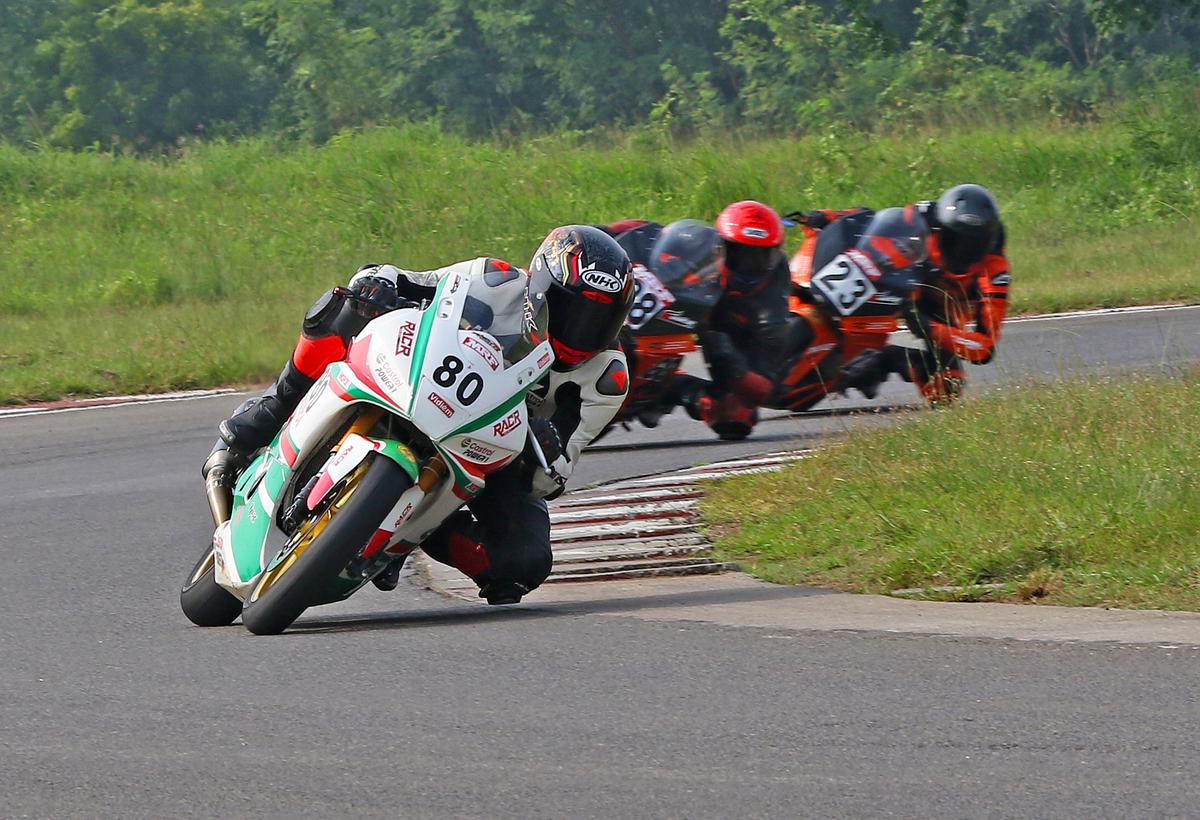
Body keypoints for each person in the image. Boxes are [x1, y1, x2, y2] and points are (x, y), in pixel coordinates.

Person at [202, 225, 634, 604]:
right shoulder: (493, 278)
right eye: (575, 309)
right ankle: (279, 402)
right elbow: (414, 282)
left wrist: (546, 447)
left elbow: (554, 474)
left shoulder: (606, 378)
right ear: (539, 287)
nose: (585, 329)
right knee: (345, 304)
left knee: (523, 562)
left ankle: (411, 535)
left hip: (496, 450)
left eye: (602, 317)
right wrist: (377, 283)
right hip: (423, 378)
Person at [601, 201, 794, 440]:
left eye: (760, 258)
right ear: (720, 246)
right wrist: (594, 236)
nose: (749, 266)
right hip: (664, 311)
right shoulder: (693, 242)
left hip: (726, 332)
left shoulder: (771, 299)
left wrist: (728, 356)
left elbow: (765, 385)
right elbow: (630, 231)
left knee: (737, 417)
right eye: (739, 255)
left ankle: (677, 391)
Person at [806, 184, 1011, 403]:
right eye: (955, 240)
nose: (964, 250)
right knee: (868, 260)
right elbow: (872, 219)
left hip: (941, 314)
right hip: (907, 282)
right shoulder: (927, 216)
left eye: (975, 244)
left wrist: (930, 329)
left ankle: (887, 358)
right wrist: (830, 217)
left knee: (947, 387)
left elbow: (984, 348)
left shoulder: (996, 270)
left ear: (988, 240)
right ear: (942, 228)